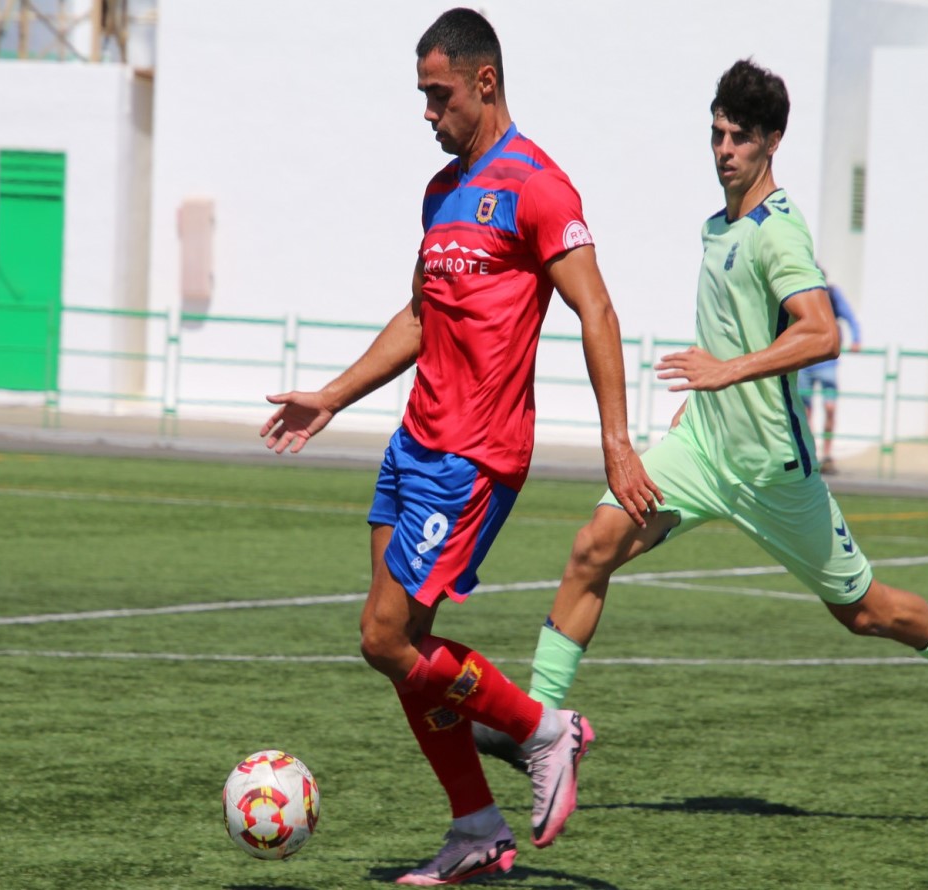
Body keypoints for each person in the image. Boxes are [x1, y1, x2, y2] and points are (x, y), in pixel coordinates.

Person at [475, 58, 928, 774]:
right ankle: (537, 725)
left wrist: (723, 372)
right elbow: (731, 329)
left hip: (769, 473)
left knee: (863, 612)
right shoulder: (716, 225)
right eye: (717, 134)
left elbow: (821, 332)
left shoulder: (773, 232)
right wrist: (703, 399)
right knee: (590, 549)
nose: (724, 150)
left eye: (740, 138)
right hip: (698, 451)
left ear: (771, 142)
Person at [260, 7, 661, 884]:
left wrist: (616, 443)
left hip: (474, 456)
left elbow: (596, 309)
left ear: (484, 81)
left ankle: (544, 728)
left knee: (383, 637)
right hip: (413, 444)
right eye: (420, 95)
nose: (427, 111)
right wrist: (331, 395)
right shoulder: (440, 193)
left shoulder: (538, 185)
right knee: (407, 655)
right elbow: (417, 315)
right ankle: (476, 827)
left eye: (437, 94)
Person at [797, 276, 862, 475]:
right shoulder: (799, 294)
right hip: (805, 362)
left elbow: (850, 317)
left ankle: (827, 455)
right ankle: (810, 455)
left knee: (830, 408)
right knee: (805, 412)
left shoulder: (831, 294)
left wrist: (856, 339)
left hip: (827, 362)